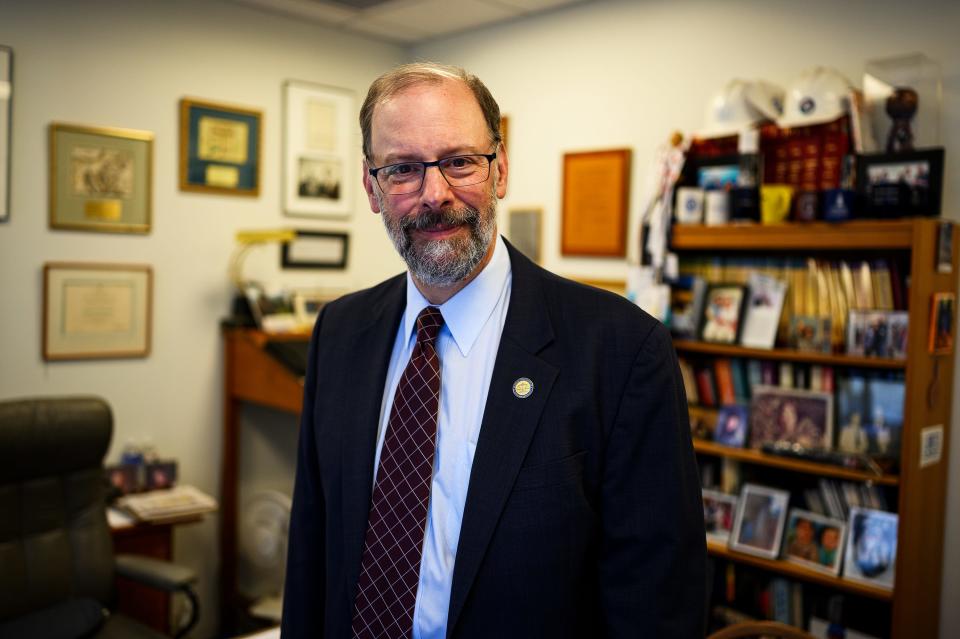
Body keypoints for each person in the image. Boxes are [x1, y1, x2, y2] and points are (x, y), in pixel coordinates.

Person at [281, 62, 705, 639]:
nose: (435, 194)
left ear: (500, 169)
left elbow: (657, 604)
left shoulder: (622, 351)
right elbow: (312, 549)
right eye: (403, 169)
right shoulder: (339, 332)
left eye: (459, 161)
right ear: (372, 188)